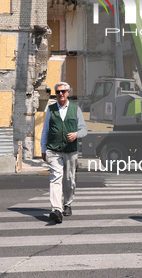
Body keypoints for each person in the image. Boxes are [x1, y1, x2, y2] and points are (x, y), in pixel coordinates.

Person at [41, 82, 88, 224]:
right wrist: (43, 149)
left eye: (63, 91)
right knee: (55, 178)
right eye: (58, 92)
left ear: (68, 92)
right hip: (53, 150)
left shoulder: (75, 109)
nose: (60, 94)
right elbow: (45, 131)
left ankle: (67, 203)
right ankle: (56, 209)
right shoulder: (51, 109)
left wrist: (76, 134)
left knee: (69, 180)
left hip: (70, 151)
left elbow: (84, 130)